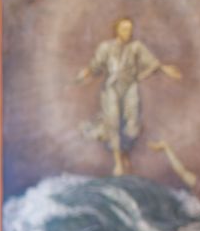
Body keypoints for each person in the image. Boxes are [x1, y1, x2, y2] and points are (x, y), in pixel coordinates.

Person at [76, 16, 181, 176]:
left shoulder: (136, 47)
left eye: (130, 29)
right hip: (111, 88)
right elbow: (96, 66)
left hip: (130, 87)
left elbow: (152, 62)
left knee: (131, 125)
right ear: (117, 30)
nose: (128, 32)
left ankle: (124, 154)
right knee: (114, 122)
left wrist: (165, 69)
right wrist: (85, 73)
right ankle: (118, 163)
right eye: (125, 29)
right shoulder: (105, 47)